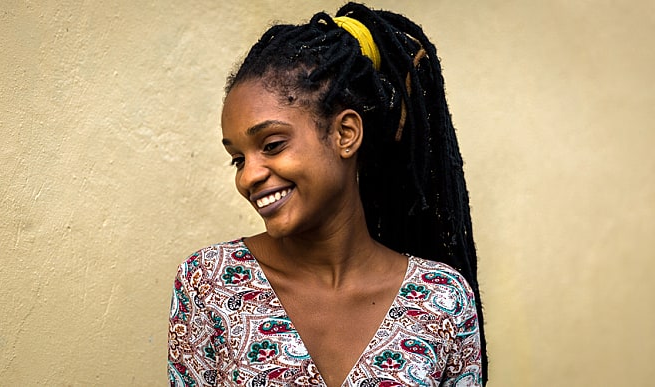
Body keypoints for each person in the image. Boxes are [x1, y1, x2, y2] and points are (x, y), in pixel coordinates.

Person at [168, 3, 487, 386]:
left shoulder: (443, 300)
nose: (248, 176)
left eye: (271, 145)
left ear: (345, 134)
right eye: (238, 159)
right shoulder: (210, 283)